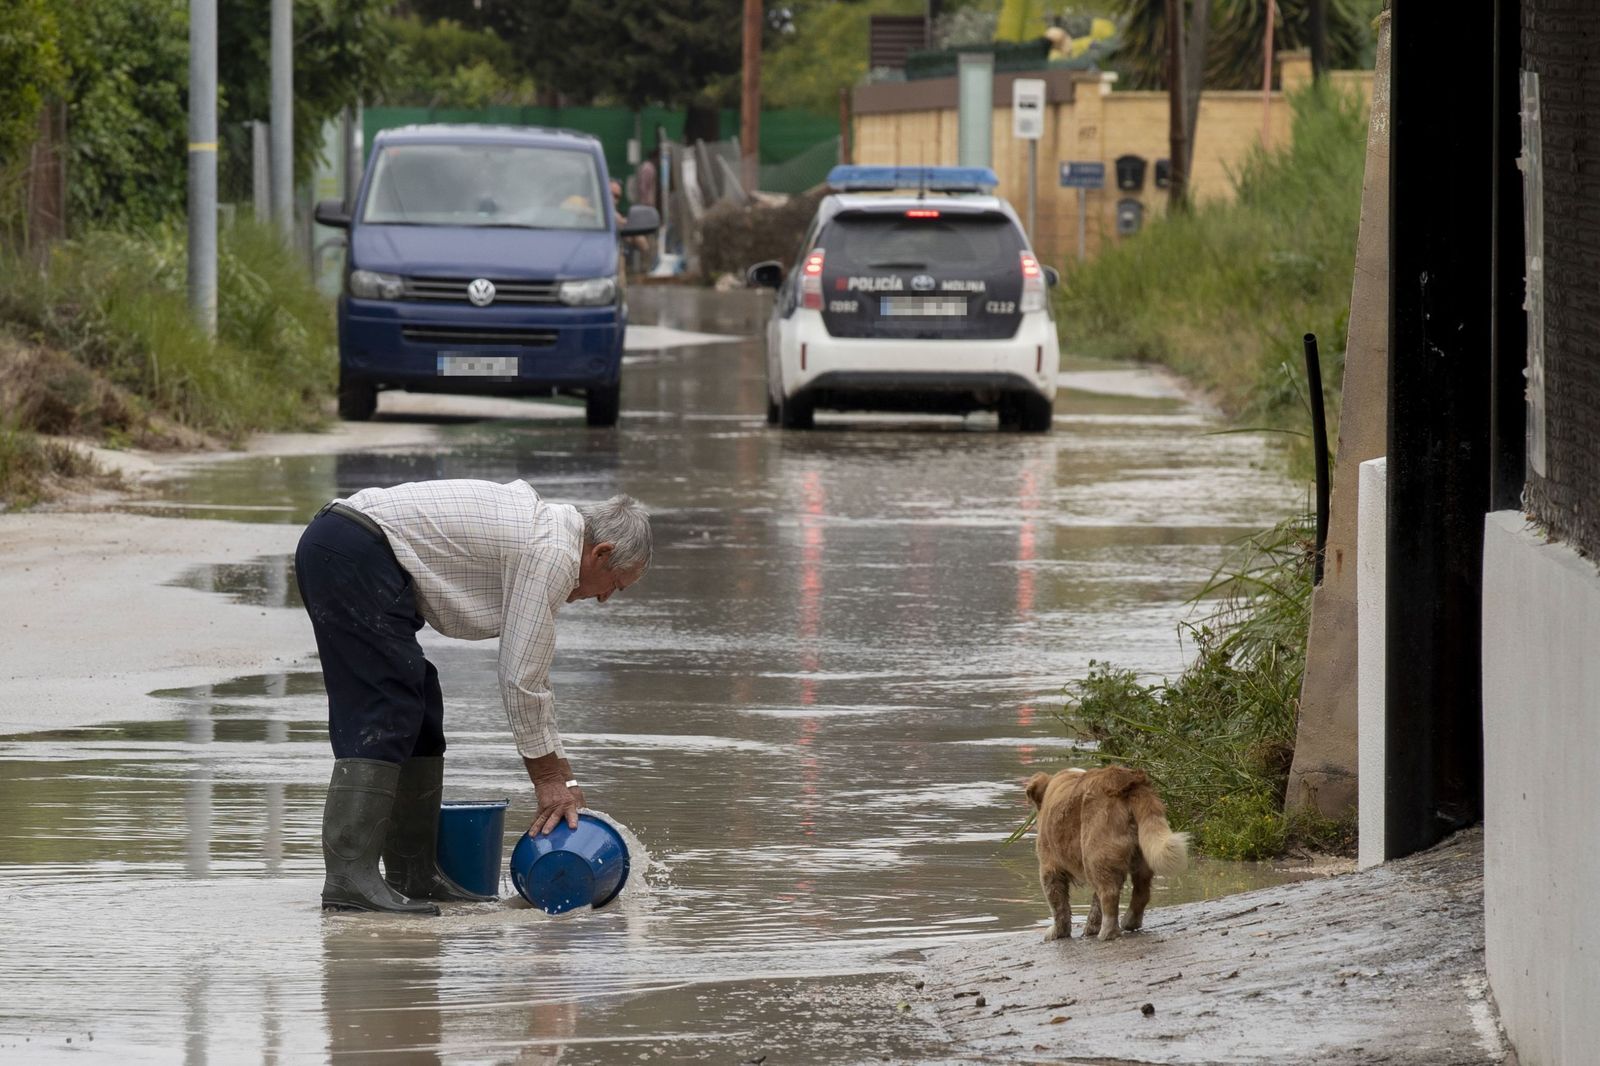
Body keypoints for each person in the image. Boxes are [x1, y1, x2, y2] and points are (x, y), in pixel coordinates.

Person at [295, 480, 652, 915]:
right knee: (384, 704)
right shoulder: (553, 552)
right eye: (614, 583)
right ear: (600, 552)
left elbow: (532, 676)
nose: (602, 597)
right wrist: (547, 779)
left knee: (420, 704)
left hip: (360, 551)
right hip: (350, 548)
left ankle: (414, 874)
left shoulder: (552, 537)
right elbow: (522, 676)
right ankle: (350, 878)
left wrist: (564, 776)